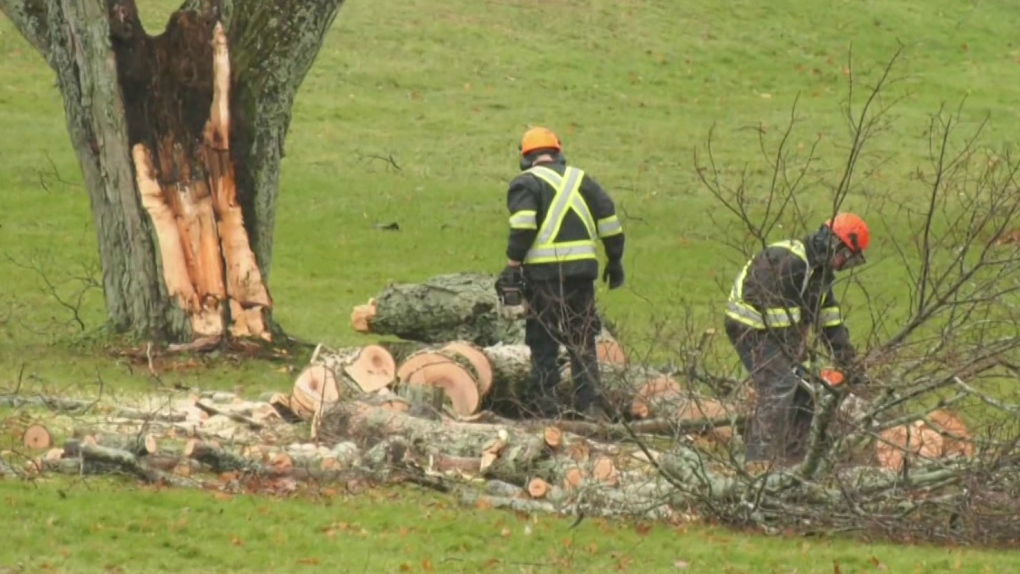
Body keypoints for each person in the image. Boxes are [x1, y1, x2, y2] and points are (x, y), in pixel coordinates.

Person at [495, 126, 626, 420]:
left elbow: (524, 225)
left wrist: (512, 265)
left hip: (544, 278)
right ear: (558, 151)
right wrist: (614, 262)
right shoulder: (584, 181)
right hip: (582, 275)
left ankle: (546, 405)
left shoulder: (525, 184)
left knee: (543, 340)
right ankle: (590, 404)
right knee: (581, 339)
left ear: (525, 156)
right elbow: (611, 224)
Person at [723, 213, 871, 467]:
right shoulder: (788, 261)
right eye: (844, 257)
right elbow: (772, 314)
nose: (842, 264)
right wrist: (795, 354)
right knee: (780, 384)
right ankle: (757, 460)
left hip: (774, 333)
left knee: (804, 390)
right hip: (749, 327)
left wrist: (848, 361)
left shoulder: (818, 275)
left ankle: (793, 459)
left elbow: (829, 320)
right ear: (833, 243)